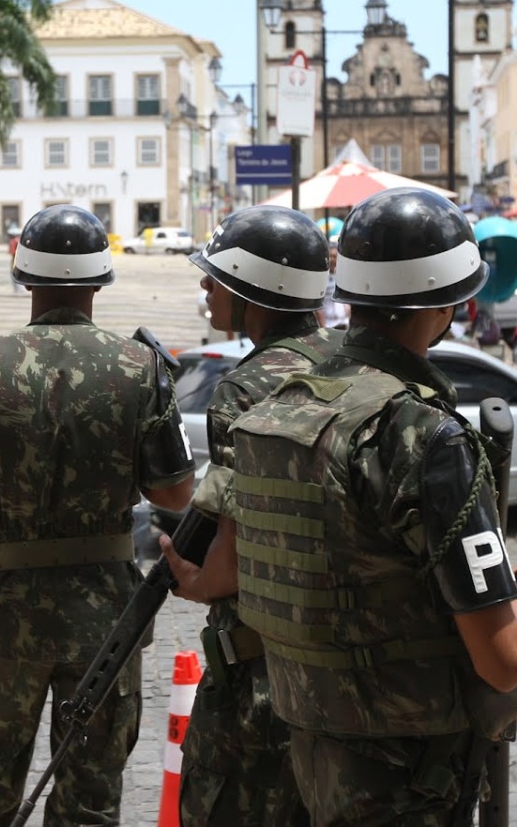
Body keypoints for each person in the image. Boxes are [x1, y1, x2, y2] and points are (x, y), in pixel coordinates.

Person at [205, 187, 517, 826]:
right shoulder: (423, 436)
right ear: (454, 304)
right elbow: (502, 660)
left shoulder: (278, 409)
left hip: (312, 749)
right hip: (411, 775)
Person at [0, 204, 195, 827]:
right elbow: (175, 496)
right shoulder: (139, 370)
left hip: (9, 609)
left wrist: (3, 532)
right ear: (101, 279)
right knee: (90, 796)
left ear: (24, 277)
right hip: (104, 617)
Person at [160, 206, 338, 826]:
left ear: (255, 294)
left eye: (218, 281)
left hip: (263, 671)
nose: (206, 291)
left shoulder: (247, 387)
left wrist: (195, 580)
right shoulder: (351, 362)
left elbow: (236, 548)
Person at [318, 240, 349, 330]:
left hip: (344, 322)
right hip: (329, 324)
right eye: (330, 256)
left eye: (334, 256)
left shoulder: (342, 275)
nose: (332, 259)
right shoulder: (322, 277)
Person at [7, 224, 21, 294]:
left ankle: (17, 290)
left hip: (14, 259)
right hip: (20, 259)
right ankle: (20, 289)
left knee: (14, 274)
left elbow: (11, 252)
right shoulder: (20, 240)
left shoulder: (13, 241)